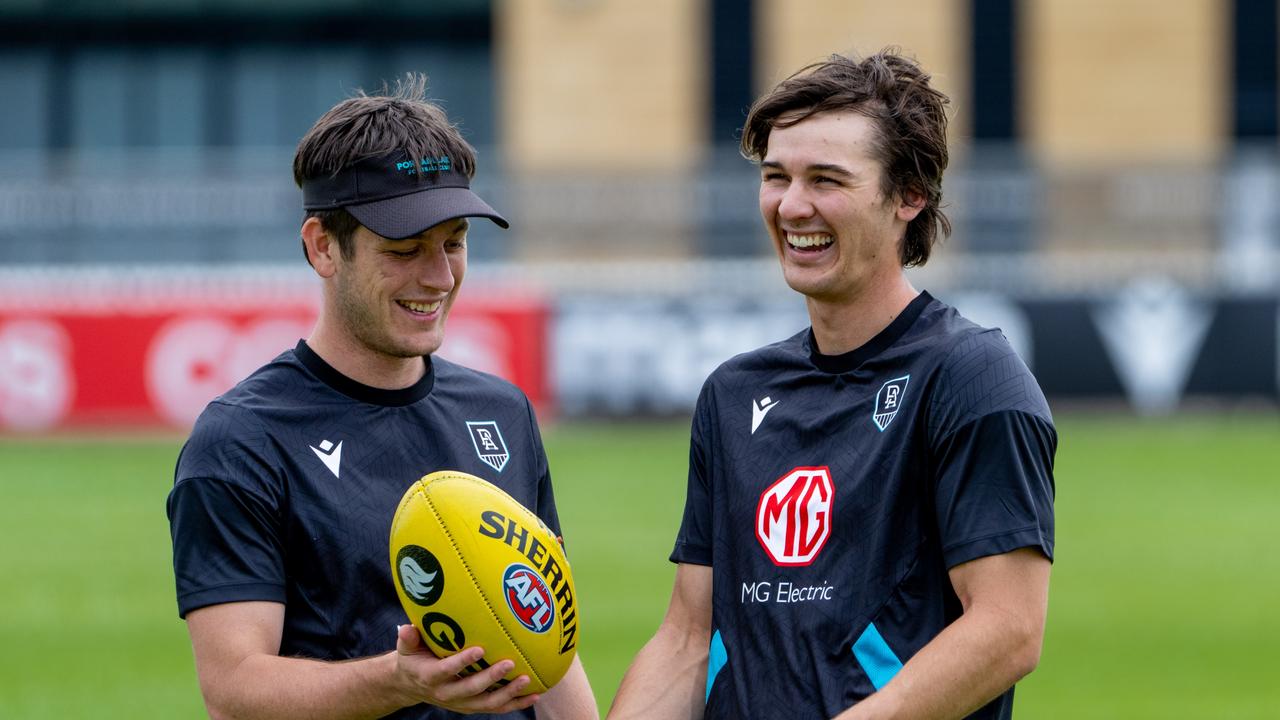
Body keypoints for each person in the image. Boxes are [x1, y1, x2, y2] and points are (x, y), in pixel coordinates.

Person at [609, 50, 1056, 720]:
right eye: (776, 177)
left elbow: (1007, 630)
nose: (792, 206)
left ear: (910, 195)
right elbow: (687, 638)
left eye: (826, 180)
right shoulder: (732, 394)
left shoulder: (972, 377)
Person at [167, 76, 597, 720]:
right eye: (403, 250)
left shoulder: (503, 411)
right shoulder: (241, 438)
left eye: (455, 242)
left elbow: (544, 641)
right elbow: (233, 687)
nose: (440, 275)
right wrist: (400, 681)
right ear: (322, 247)